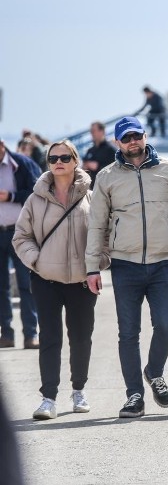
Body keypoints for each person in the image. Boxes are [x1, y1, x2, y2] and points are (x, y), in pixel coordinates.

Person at [85, 116, 168, 419]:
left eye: (136, 136)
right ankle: (134, 395)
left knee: (166, 326)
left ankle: (154, 370)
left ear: (145, 136)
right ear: (118, 143)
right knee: (128, 333)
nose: (133, 142)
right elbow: (96, 224)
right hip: (124, 265)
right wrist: (92, 268)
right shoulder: (107, 177)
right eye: (126, 138)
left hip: (163, 262)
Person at [13, 141, 108, 419]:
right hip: (46, 281)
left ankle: (79, 390)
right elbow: (21, 237)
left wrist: (98, 264)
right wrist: (37, 261)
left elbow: (105, 236)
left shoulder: (92, 198)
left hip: (81, 281)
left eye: (65, 157)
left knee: (81, 338)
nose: (59, 161)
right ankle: (48, 398)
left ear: (75, 160)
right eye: (53, 158)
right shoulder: (35, 199)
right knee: (50, 339)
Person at [0, 139, 41, 350]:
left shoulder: (21, 164)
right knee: (1, 287)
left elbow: (37, 194)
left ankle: (31, 334)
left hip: (20, 233)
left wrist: (11, 196)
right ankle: (5, 334)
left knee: (26, 285)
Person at [82, 121, 117, 188]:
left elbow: (117, 168)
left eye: (94, 131)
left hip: (108, 189)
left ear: (102, 131)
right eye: (91, 131)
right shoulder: (90, 151)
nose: (92, 133)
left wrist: (98, 166)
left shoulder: (111, 149)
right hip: (93, 190)